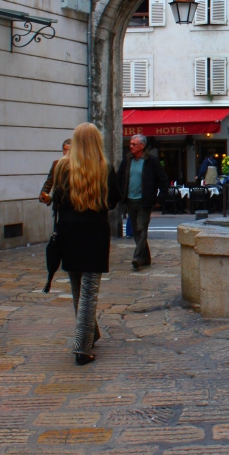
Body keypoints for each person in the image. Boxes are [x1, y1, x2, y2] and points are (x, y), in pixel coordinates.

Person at [51, 122, 120, 365]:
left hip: (69, 229)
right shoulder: (104, 167)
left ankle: (91, 333)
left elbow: (57, 199)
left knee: (77, 287)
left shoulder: (62, 166)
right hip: (95, 229)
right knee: (90, 290)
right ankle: (81, 347)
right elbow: (113, 201)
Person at [116, 134, 168, 271]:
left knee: (141, 228)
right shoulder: (127, 160)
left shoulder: (152, 161)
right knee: (136, 230)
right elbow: (119, 178)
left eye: (134, 144)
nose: (131, 146)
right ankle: (146, 258)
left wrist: (159, 199)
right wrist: (120, 196)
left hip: (145, 202)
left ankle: (138, 257)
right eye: (131, 144)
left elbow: (163, 180)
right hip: (130, 200)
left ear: (142, 146)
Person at [39, 138, 71, 204]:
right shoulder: (56, 164)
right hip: (60, 201)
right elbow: (49, 182)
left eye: (69, 150)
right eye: (65, 150)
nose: (66, 153)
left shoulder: (79, 165)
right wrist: (43, 194)